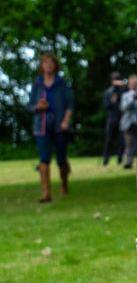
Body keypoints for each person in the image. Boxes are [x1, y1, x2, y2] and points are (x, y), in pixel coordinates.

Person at [27, 52, 74, 203]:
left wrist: (66, 121)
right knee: (44, 159)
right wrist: (37, 106)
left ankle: (64, 184)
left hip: (60, 125)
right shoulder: (37, 84)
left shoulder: (61, 83)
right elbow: (29, 106)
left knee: (61, 158)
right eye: (45, 62)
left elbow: (70, 104)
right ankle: (46, 194)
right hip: (42, 126)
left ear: (55, 65)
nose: (48, 65)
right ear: (42, 65)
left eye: (51, 62)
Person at [102, 72, 126, 167]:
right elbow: (106, 106)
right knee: (109, 140)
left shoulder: (123, 91)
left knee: (121, 140)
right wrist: (112, 101)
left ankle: (120, 159)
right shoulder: (108, 92)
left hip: (122, 118)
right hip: (112, 119)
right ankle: (106, 159)